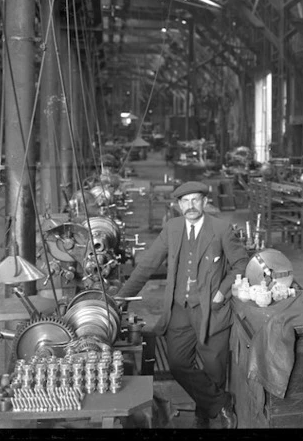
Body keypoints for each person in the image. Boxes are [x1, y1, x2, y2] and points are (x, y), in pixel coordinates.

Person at [116, 181, 248, 428]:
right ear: (178, 205)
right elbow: (147, 265)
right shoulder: (172, 228)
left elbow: (241, 264)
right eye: (185, 201)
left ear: (205, 202)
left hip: (213, 310)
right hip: (180, 309)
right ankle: (221, 403)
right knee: (177, 364)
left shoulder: (221, 229)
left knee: (214, 368)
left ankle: (204, 416)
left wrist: (221, 292)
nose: (191, 206)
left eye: (196, 200)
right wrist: (122, 297)